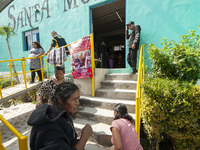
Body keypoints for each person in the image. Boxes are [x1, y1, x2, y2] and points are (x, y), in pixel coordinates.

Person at [27, 82, 93, 150]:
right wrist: (84, 137)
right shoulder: (51, 125)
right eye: (75, 100)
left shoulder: (62, 116)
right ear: (61, 100)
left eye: (78, 99)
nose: (78, 103)